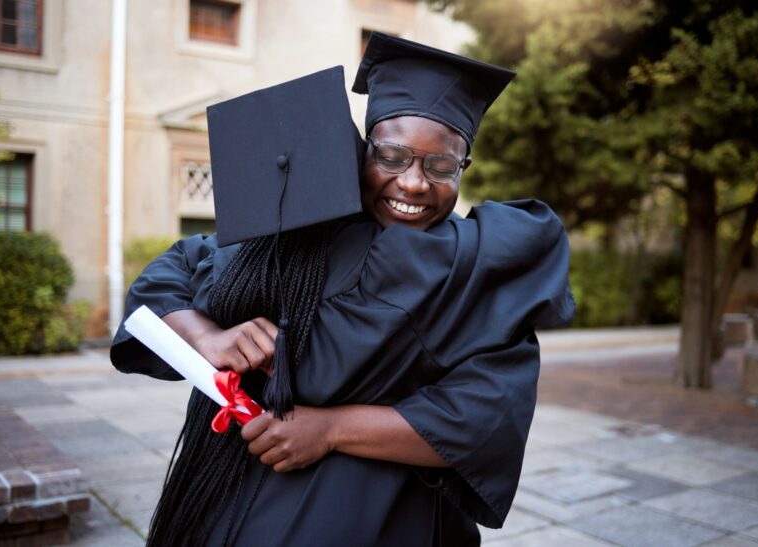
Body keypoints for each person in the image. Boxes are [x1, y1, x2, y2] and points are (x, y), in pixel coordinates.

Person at [111, 33, 574, 546]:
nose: (414, 183)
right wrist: (207, 338)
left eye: (442, 166)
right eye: (392, 156)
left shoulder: (470, 270)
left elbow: (485, 418)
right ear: (361, 149)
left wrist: (331, 428)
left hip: (388, 517)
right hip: (236, 497)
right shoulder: (295, 231)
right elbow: (166, 280)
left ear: (463, 166)